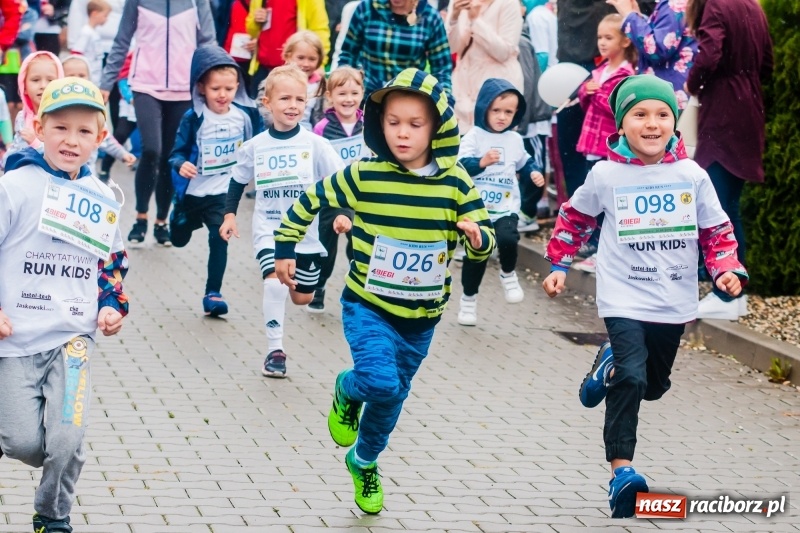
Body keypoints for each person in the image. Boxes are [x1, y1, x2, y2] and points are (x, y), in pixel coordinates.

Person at [273, 68, 496, 515]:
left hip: (423, 317)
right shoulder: (364, 173)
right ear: (379, 123)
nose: (403, 133)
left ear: (437, 128)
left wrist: (476, 238)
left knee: (394, 394)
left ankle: (364, 460)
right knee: (379, 381)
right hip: (367, 304)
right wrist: (285, 248)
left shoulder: (455, 182)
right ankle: (347, 388)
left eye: (415, 124)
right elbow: (309, 199)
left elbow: (486, 236)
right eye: (393, 122)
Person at [541, 75, 747, 518]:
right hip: (623, 295)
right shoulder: (606, 173)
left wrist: (727, 269)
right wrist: (559, 263)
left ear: (674, 122)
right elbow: (575, 217)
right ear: (621, 125)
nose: (652, 124)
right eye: (640, 114)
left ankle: (610, 360)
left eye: (662, 114)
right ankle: (622, 473)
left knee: (653, 386)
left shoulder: (691, 175)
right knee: (632, 380)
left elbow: (715, 230)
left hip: (672, 300)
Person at [0, 75, 129, 533]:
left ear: (98, 138)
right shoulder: (15, 185)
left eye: (83, 131)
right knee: (21, 443)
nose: (71, 140)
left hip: (72, 337)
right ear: (38, 128)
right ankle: (41, 457)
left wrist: (113, 305)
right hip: (15, 340)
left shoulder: (100, 196)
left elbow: (111, 262)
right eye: (60, 128)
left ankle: (53, 515)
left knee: (68, 437)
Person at [220, 65, 341, 378]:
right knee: (274, 283)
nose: (293, 105)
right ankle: (275, 350)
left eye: (300, 99)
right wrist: (229, 215)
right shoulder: (255, 146)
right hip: (268, 232)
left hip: (308, 237)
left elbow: (340, 183)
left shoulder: (316, 146)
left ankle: (297, 288)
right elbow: (237, 180)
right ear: (267, 103)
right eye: (285, 98)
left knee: (302, 298)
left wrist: (341, 214)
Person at [100, 0, 216, 246]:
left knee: (170, 157)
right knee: (152, 150)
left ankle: (161, 221)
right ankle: (140, 217)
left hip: (184, 90)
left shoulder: (197, 2)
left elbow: (208, 43)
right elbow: (121, 41)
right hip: (145, 86)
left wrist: (213, 84)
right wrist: (105, 84)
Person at [685, 0, 772, 320]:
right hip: (748, 109)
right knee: (727, 205)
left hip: (723, 112)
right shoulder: (753, 6)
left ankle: (726, 294)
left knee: (719, 209)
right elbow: (767, 65)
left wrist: (692, 83)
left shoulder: (716, 6)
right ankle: (733, 295)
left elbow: (708, 56)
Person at [168, 46, 262, 317]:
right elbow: (176, 153)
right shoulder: (194, 118)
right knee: (178, 240)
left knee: (220, 238)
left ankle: (213, 293)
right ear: (201, 88)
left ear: (237, 87)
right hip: (192, 194)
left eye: (229, 89)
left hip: (222, 194)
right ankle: (180, 219)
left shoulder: (245, 116)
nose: (223, 95)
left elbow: (257, 145)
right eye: (215, 89)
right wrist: (180, 164)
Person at [456, 78, 544, 325]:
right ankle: (468, 300)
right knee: (477, 255)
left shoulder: (515, 140)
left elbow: (525, 162)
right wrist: (481, 162)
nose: (502, 117)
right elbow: (461, 167)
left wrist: (533, 172)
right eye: (496, 110)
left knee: (507, 239)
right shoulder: (474, 136)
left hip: (505, 206)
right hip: (477, 209)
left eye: (508, 112)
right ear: (484, 108)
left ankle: (508, 274)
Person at [571, 12, 635, 273]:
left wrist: (595, 94)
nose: (602, 42)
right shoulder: (599, 71)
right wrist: (585, 93)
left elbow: (616, 108)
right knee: (594, 195)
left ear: (625, 42)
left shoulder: (625, 73)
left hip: (607, 147)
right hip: (592, 143)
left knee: (607, 197)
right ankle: (594, 242)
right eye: (600, 37)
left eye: (609, 37)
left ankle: (604, 249)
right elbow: (586, 105)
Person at [308, 66, 365, 312]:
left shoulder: (370, 125)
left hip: (362, 196)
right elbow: (312, 161)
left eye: (354, 92)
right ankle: (319, 286)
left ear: (362, 93)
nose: (349, 99)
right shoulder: (322, 127)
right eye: (342, 94)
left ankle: (359, 284)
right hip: (331, 196)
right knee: (326, 248)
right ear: (330, 96)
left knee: (361, 241)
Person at [338, 0, 453, 97]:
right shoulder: (366, 9)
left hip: (408, 97)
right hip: (367, 94)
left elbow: (442, 69)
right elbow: (348, 54)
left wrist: (445, 101)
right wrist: (342, 88)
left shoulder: (430, 17)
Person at [446, 0, 523, 132]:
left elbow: (503, 52)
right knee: (463, 143)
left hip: (498, 89)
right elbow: (451, 48)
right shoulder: (457, 2)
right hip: (463, 87)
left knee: (495, 145)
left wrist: (476, 21)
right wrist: (454, 17)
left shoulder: (509, 3)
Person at [608, 0, 697, 109]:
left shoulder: (675, 3)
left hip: (668, 92)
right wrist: (637, 17)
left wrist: (629, 16)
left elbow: (657, 49)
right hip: (673, 89)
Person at [61, 54, 137, 170]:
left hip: (87, 174)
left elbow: (105, 137)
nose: (76, 81)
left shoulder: (94, 109)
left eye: (82, 76)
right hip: (60, 170)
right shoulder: (54, 109)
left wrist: (122, 154)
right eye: (70, 76)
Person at [244, 0, 330, 96]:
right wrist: (255, 22)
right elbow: (251, 30)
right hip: (263, 69)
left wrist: (320, 64)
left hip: (294, 72)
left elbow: (320, 30)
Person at [2, 50, 62, 163]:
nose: (43, 86)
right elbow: (17, 145)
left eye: (50, 80)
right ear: (24, 86)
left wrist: (36, 144)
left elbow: (62, 155)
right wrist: (5, 161)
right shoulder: (22, 116)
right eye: (35, 80)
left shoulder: (62, 118)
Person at [281, 30, 325, 130]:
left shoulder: (320, 86)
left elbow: (320, 116)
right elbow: (266, 113)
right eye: (300, 58)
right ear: (288, 56)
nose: (306, 64)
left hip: (309, 135)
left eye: (312, 59)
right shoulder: (277, 81)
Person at [68, 0, 111, 85]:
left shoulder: (94, 33)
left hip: (95, 77)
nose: (106, 19)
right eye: (105, 16)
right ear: (94, 13)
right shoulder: (86, 32)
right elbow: (76, 53)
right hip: (87, 78)